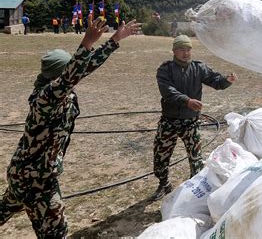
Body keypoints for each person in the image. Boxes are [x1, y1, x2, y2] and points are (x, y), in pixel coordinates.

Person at [0, 16, 142, 238]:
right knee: (56, 231)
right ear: (59, 74)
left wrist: (115, 39)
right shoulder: (46, 97)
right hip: (37, 180)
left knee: (7, 206)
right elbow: (72, 74)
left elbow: (83, 67)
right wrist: (86, 43)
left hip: (24, 173)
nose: (79, 74)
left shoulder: (57, 89)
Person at [153, 35, 237, 200]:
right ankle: (164, 184)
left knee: (196, 158)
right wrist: (186, 101)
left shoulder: (199, 68)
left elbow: (215, 80)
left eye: (188, 49)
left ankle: (195, 189)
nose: (185, 53)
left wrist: (226, 80)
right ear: (174, 51)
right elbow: (167, 90)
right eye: (181, 49)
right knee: (160, 155)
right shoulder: (165, 69)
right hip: (169, 120)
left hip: (191, 121)